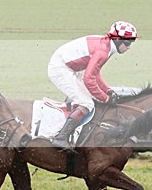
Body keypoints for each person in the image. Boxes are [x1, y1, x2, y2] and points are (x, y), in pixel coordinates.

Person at [47, 20, 137, 150]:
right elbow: (89, 80)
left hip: (72, 67)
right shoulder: (103, 51)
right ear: (117, 39)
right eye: (128, 43)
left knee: (89, 99)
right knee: (87, 103)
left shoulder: (107, 45)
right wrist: (105, 98)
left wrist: (108, 90)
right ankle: (60, 138)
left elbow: (94, 73)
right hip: (60, 68)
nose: (129, 47)